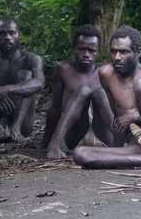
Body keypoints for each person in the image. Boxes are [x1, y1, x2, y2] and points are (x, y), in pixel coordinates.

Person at [72, 26, 141, 169]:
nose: (117, 57)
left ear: (138, 53)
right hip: (136, 145)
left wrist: (137, 116)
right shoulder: (106, 74)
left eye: (124, 52)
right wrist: (114, 151)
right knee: (80, 154)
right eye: (114, 51)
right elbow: (117, 120)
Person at [44, 25, 115, 160]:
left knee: (99, 94)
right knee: (83, 91)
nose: (86, 54)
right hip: (76, 136)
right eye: (81, 49)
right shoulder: (63, 69)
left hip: (104, 136)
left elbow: (118, 107)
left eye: (91, 50)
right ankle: (56, 145)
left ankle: (122, 144)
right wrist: (45, 142)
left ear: (99, 51)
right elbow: (56, 108)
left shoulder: (107, 71)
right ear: (73, 50)